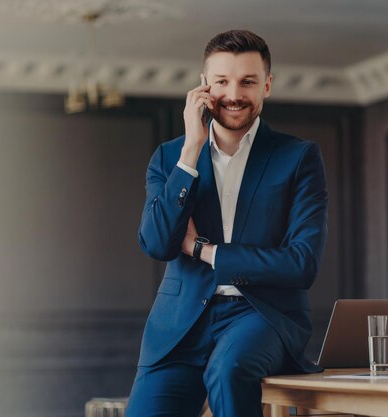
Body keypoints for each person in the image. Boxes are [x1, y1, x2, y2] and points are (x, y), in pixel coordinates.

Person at [126, 29, 328, 417]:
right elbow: (157, 243)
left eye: (248, 81)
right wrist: (190, 151)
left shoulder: (299, 157)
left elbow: (302, 263)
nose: (234, 93)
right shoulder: (170, 157)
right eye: (222, 81)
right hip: (179, 324)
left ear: (266, 85)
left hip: (260, 316)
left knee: (229, 370)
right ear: (204, 86)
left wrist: (204, 250)